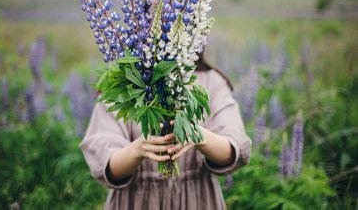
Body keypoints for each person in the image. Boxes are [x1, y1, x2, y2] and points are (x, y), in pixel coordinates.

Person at [79, 49, 252, 210]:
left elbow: (233, 149)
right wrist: (137, 150)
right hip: (135, 201)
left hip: (197, 200)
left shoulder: (212, 81)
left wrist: (198, 135)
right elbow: (107, 165)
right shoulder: (127, 79)